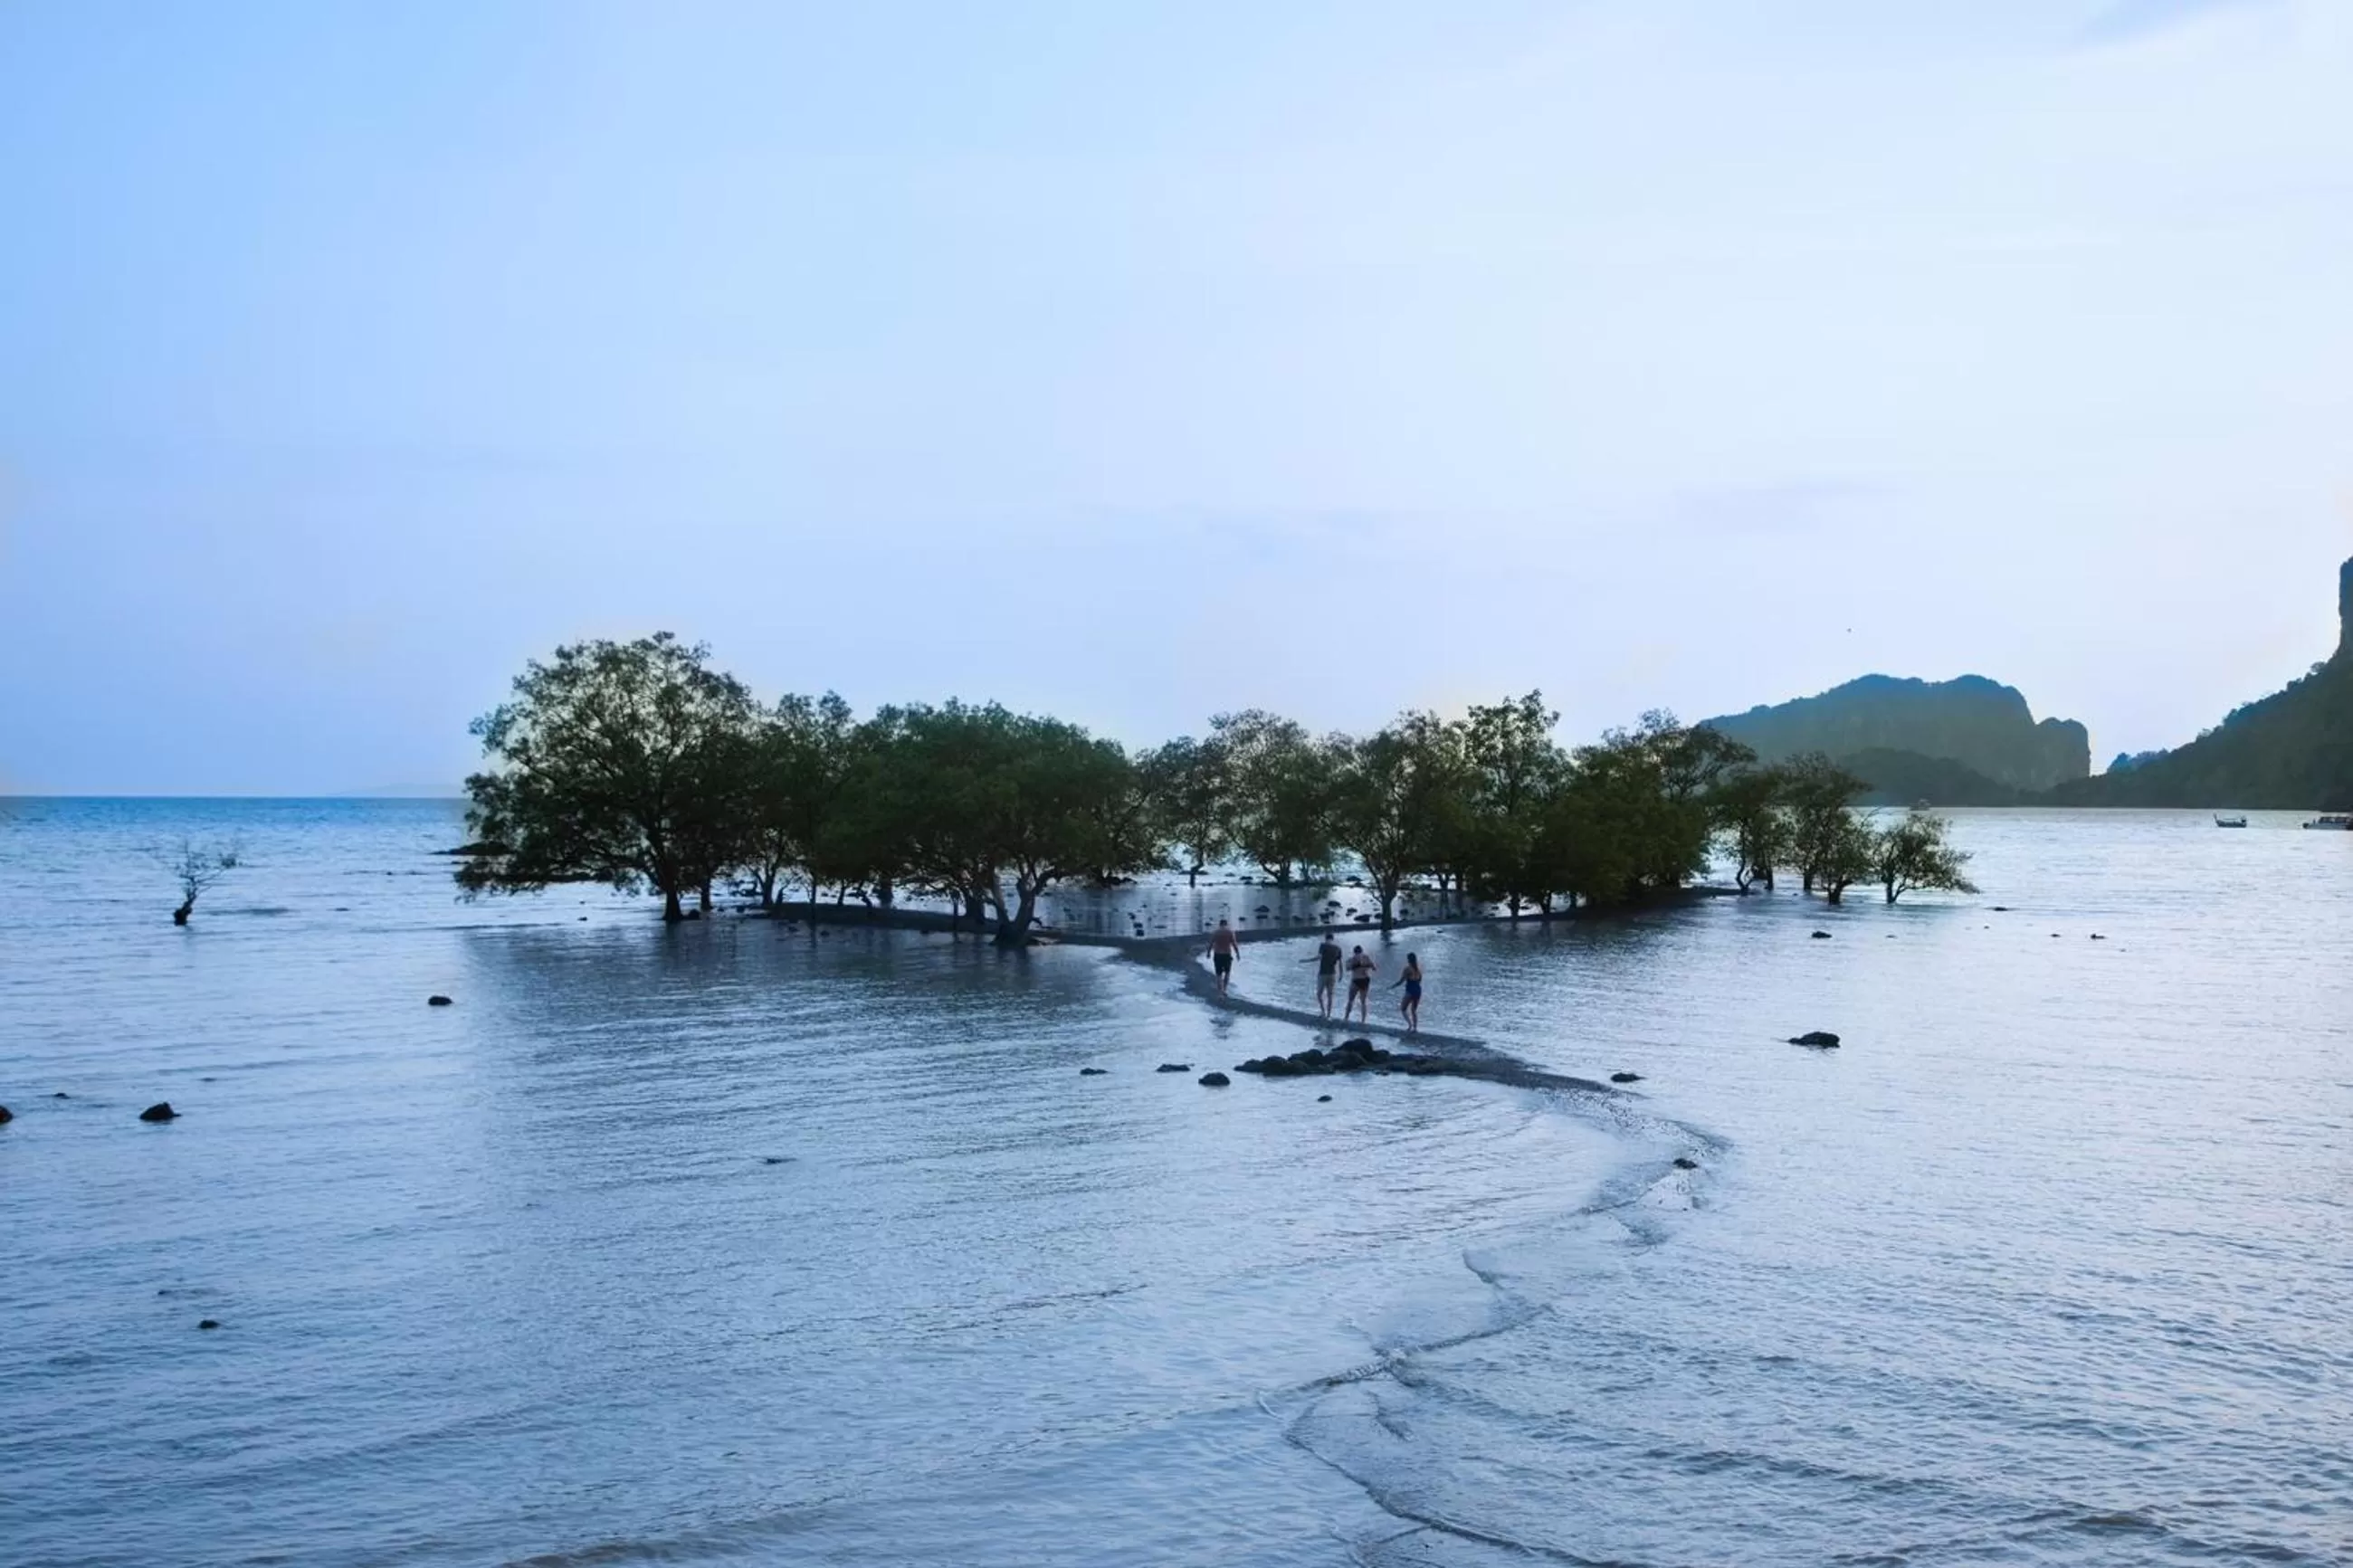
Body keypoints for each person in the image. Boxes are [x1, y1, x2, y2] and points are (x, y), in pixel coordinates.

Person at [1303, 930, 1344, 1019]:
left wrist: (1306, 960)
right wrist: (1341, 974)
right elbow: (1340, 963)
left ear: (1326, 938)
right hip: (1333, 974)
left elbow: (1319, 957)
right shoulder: (1338, 948)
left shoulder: (1323, 946)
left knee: (1319, 994)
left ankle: (1323, 1012)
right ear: (1333, 939)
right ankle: (1329, 1015)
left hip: (1323, 973)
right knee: (1330, 995)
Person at [1343, 945, 1377, 1024]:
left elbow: (1347, 968)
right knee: (1363, 1001)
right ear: (1361, 951)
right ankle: (1363, 1021)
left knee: (1351, 1000)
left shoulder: (1352, 959)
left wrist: (1356, 965)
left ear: (1354, 952)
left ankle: (1346, 1018)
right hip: (1365, 980)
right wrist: (1367, 966)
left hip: (1356, 980)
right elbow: (1374, 968)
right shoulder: (1366, 957)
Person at [1392, 951, 1424, 1033]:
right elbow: (1420, 980)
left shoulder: (1407, 969)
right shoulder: (1418, 969)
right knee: (1414, 1010)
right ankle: (1415, 1028)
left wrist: (1393, 986)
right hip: (1418, 990)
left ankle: (1409, 1025)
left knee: (1403, 1008)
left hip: (1410, 990)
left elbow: (1401, 981)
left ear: (1408, 960)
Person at [1207, 918, 1240, 995]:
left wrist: (1208, 953)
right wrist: (1237, 953)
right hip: (1227, 954)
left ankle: (1220, 993)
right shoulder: (1230, 932)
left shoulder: (1216, 932)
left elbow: (1211, 943)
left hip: (1218, 954)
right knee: (1227, 973)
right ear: (1226, 924)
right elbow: (1234, 944)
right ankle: (1224, 990)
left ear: (1220, 924)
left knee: (1219, 974)